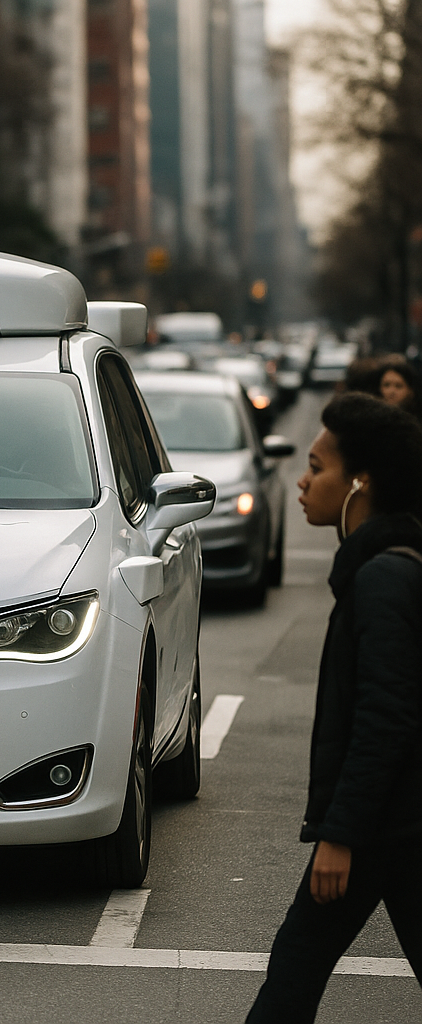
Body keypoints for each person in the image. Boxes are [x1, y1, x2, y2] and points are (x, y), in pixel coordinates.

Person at [245, 391, 422, 1022]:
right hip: (397, 827)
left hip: (383, 828)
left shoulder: (383, 578)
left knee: (291, 978)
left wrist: (339, 836)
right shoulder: (380, 569)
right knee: (294, 974)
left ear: (360, 482)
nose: (302, 479)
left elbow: (385, 719)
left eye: (318, 467)